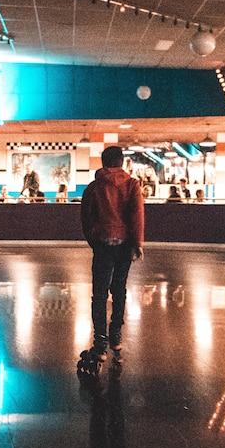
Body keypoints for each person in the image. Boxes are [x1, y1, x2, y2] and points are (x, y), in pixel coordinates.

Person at [80, 145, 144, 366]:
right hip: (124, 245)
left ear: (103, 163)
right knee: (119, 289)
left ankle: (100, 344)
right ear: (122, 163)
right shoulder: (133, 185)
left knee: (99, 293)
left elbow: (86, 218)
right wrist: (137, 244)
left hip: (103, 244)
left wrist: (94, 241)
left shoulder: (94, 187)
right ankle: (116, 337)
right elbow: (136, 216)